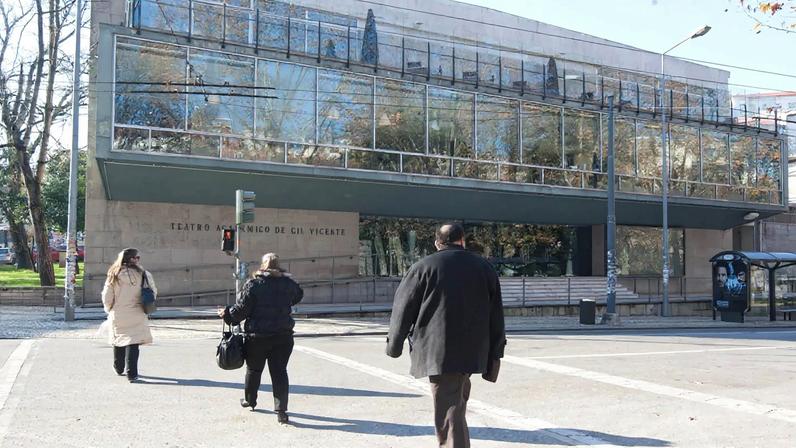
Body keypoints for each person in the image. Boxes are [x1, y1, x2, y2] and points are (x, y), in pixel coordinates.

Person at [386, 223, 506, 448]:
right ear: (462, 241)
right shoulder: (483, 267)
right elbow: (496, 314)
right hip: (473, 350)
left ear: (437, 243)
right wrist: (496, 352)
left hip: (438, 351)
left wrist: (394, 345)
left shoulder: (423, 267)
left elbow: (403, 308)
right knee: (456, 404)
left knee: (449, 410)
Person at [217, 253, 304, 424]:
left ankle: (250, 401)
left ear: (263, 265)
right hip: (283, 336)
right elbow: (298, 295)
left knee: (254, 370)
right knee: (279, 372)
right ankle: (281, 411)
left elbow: (240, 311)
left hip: (257, 337)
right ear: (278, 265)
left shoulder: (254, 285)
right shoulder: (288, 284)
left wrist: (226, 313)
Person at [101, 247, 157, 382]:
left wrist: (109, 308)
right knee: (133, 342)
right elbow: (153, 291)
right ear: (131, 259)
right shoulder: (144, 274)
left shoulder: (114, 274)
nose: (138, 260)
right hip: (137, 311)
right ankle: (132, 374)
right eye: (137, 257)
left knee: (118, 339)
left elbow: (107, 295)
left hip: (118, 312)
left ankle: (118, 367)